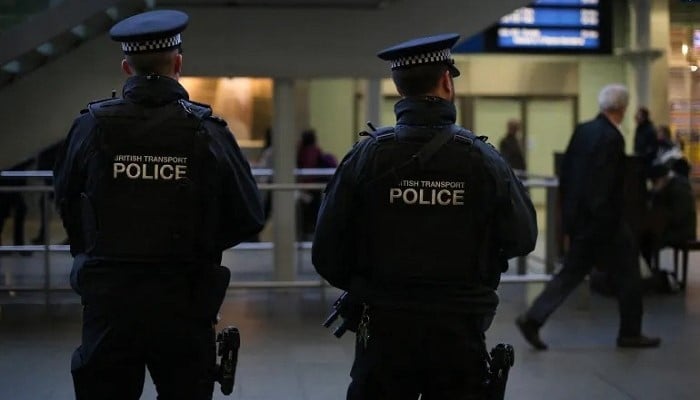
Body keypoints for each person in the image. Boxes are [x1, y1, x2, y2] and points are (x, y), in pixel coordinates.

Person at [53, 10, 264, 400]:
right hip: (184, 299)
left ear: (125, 67)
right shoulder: (207, 131)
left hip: (109, 300)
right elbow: (248, 216)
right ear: (178, 64)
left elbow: (65, 200)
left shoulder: (91, 126)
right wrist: (198, 241)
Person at [312, 33, 537, 400]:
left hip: (384, 330)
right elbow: (522, 237)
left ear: (399, 88)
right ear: (447, 81)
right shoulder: (483, 159)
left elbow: (326, 253)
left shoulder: (367, 156)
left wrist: (372, 288)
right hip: (459, 333)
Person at [516, 84, 661, 350]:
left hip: (581, 219)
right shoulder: (612, 138)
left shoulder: (583, 130)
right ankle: (630, 332)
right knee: (629, 273)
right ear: (622, 108)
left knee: (570, 273)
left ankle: (533, 318)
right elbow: (605, 185)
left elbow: (569, 174)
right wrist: (609, 221)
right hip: (605, 223)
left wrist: (570, 218)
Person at [296, 128, 337, 239]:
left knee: (306, 216)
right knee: (313, 214)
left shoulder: (303, 152)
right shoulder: (315, 151)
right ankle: (310, 234)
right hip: (314, 189)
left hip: (306, 189)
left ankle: (306, 235)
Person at [633, 107, 658, 175]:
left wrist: (643, 157)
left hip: (646, 161)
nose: (635, 117)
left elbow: (652, 147)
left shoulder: (650, 130)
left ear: (643, 117)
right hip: (640, 160)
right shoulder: (639, 128)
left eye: (638, 115)